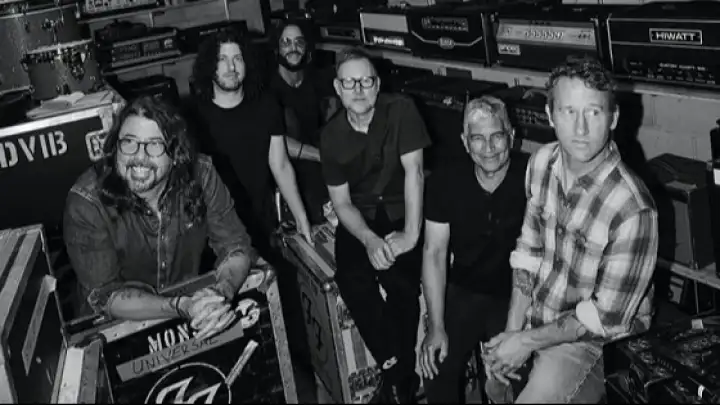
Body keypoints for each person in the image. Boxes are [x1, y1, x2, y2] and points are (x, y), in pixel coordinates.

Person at [483, 56, 659, 403]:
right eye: (568, 111)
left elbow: (603, 318)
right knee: (495, 382)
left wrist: (525, 342)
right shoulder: (541, 162)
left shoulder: (633, 208)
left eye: (593, 112)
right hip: (542, 311)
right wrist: (512, 333)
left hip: (596, 340)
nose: (580, 128)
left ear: (613, 118)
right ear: (550, 115)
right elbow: (529, 252)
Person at [63, 96, 257, 340]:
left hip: (190, 314)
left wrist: (220, 295)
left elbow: (236, 247)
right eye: (129, 142)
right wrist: (181, 306)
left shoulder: (202, 174)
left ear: (176, 154)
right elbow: (106, 295)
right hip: (113, 332)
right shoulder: (87, 201)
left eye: (154, 145)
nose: (139, 157)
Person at [320, 46, 431, 403]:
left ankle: (396, 384)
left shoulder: (402, 110)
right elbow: (341, 203)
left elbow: (415, 172)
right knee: (352, 279)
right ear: (337, 88)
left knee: (401, 283)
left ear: (378, 84)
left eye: (366, 81)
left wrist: (411, 233)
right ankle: (398, 372)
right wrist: (368, 240)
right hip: (362, 214)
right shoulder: (330, 136)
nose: (358, 89)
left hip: (402, 208)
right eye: (349, 82)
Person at [419, 96, 528, 404]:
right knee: (435, 363)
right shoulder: (444, 181)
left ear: (511, 136)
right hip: (465, 289)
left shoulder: (533, 176)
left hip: (518, 293)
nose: (489, 148)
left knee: (516, 376)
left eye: (497, 136)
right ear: (465, 142)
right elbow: (434, 253)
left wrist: (515, 334)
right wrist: (436, 326)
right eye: (478, 138)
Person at [191, 28, 311, 255]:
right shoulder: (194, 116)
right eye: (222, 59)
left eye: (237, 58)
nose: (231, 67)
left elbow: (280, 165)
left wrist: (302, 218)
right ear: (210, 66)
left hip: (261, 223)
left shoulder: (267, 105)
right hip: (215, 232)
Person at [268, 20, 338, 224]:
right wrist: (321, 156)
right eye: (286, 42)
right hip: (289, 170)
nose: (293, 48)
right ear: (277, 48)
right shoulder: (268, 90)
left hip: (322, 164)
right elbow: (275, 143)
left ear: (307, 47)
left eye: (299, 42)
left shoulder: (317, 79)